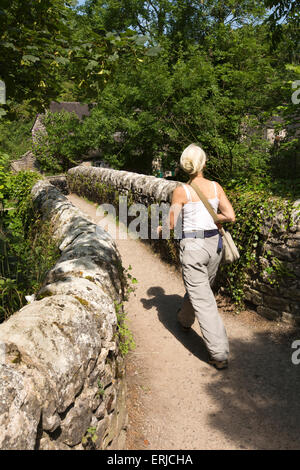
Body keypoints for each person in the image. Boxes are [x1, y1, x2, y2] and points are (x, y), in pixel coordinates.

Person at [158, 143, 236, 369]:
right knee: (201, 290)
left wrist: (164, 227)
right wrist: (213, 219)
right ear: (204, 163)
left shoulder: (181, 190)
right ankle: (184, 320)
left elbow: (172, 222)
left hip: (193, 247)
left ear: (184, 166)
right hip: (215, 246)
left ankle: (219, 354)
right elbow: (229, 216)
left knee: (203, 298)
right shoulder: (214, 186)